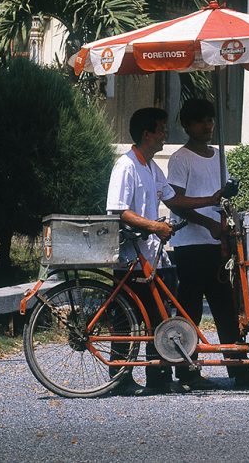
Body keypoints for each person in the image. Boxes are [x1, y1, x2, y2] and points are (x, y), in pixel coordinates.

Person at [167, 97, 249, 391]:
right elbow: (177, 203)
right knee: (190, 310)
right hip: (189, 243)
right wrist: (209, 220)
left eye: (210, 120)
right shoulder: (180, 159)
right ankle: (186, 369)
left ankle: (237, 367)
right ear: (187, 125)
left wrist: (223, 221)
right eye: (201, 121)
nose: (208, 126)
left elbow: (221, 201)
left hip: (216, 243)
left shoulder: (219, 156)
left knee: (225, 307)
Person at [105, 106, 182, 395]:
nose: (165, 135)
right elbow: (118, 210)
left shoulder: (151, 166)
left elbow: (174, 198)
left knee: (159, 316)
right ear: (147, 134)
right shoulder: (126, 166)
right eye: (161, 129)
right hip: (131, 257)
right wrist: (153, 225)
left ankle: (158, 377)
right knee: (126, 320)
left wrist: (212, 199)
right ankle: (120, 378)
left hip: (153, 256)